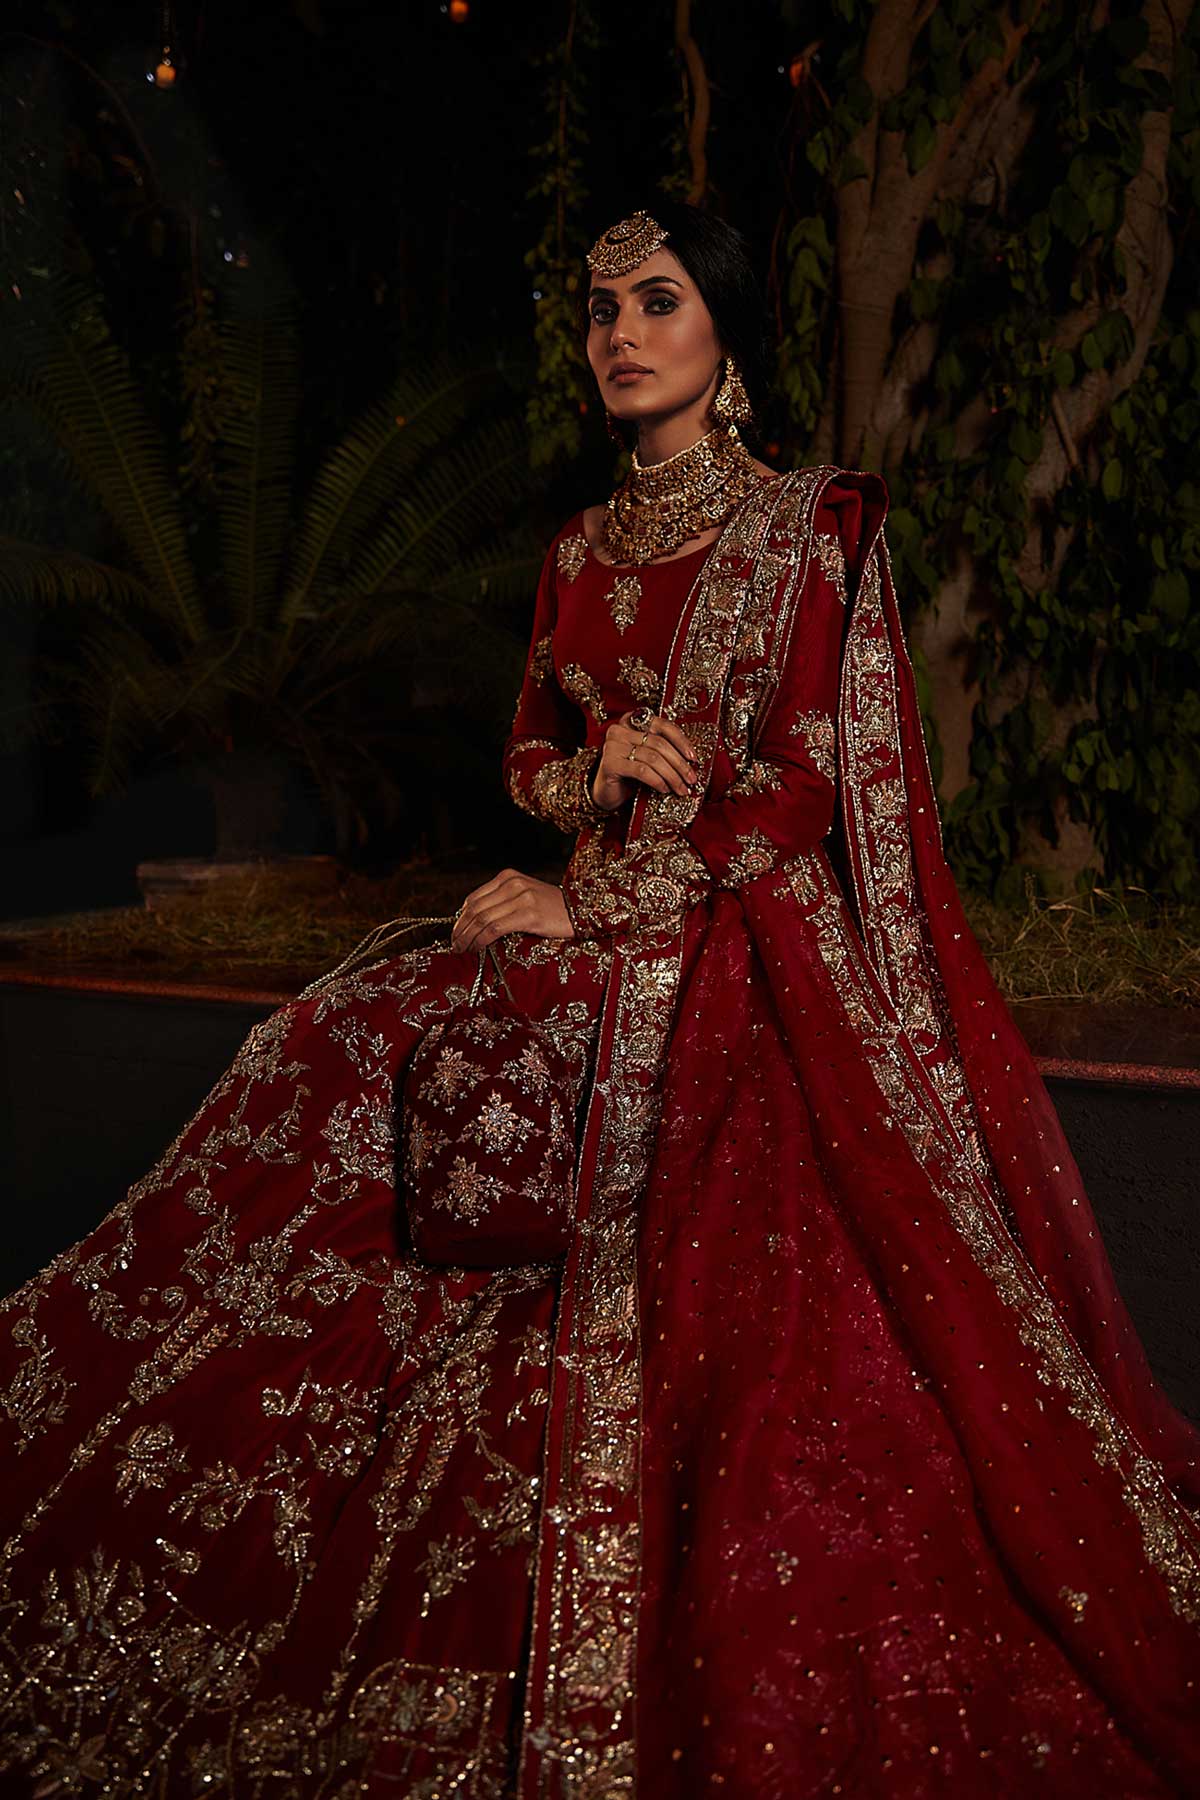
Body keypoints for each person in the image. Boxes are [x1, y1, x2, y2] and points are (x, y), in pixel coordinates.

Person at [0, 202, 1198, 1800]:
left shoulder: (805, 529)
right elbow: (524, 758)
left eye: (659, 301)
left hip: (728, 938)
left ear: (728, 338)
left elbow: (801, 792)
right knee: (336, 1039)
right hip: (580, 912)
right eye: (599, 310)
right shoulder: (578, 549)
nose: (621, 334)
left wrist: (607, 885)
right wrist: (592, 774)